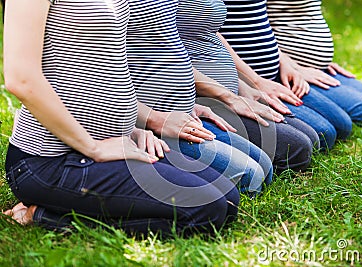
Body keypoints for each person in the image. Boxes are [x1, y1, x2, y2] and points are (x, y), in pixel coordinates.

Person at [2, 0, 240, 237]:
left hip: (112, 144)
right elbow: (21, 79)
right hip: (50, 160)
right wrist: (93, 147)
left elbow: (97, 67)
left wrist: (131, 129)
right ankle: (45, 216)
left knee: (227, 197)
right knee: (209, 209)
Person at [126, 0, 274, 191]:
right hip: (152, 120)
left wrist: (191, 100)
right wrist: (152, 118)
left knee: (265, 167)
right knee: (250, 176)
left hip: (185, 112)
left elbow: (168, 48)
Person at [175, 0, 319, 173]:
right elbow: (169, 55)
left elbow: (211, 34)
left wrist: (245, 86)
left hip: (234, 89)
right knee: (295, 149)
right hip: (204, 99)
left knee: (313, 139)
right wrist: (228, 97)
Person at [219, 0, 356, 150]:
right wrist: (255, 81)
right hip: (244, 81)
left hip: (277, 75)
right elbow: (208, 34)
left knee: (342, 125)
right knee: (323, 135)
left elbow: (261, 23)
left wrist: (286, 63)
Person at [266, 0, 362, 122]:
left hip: (316, 67)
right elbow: (256, 24)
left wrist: (321, 59)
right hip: (288, 71)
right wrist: (295, 67)